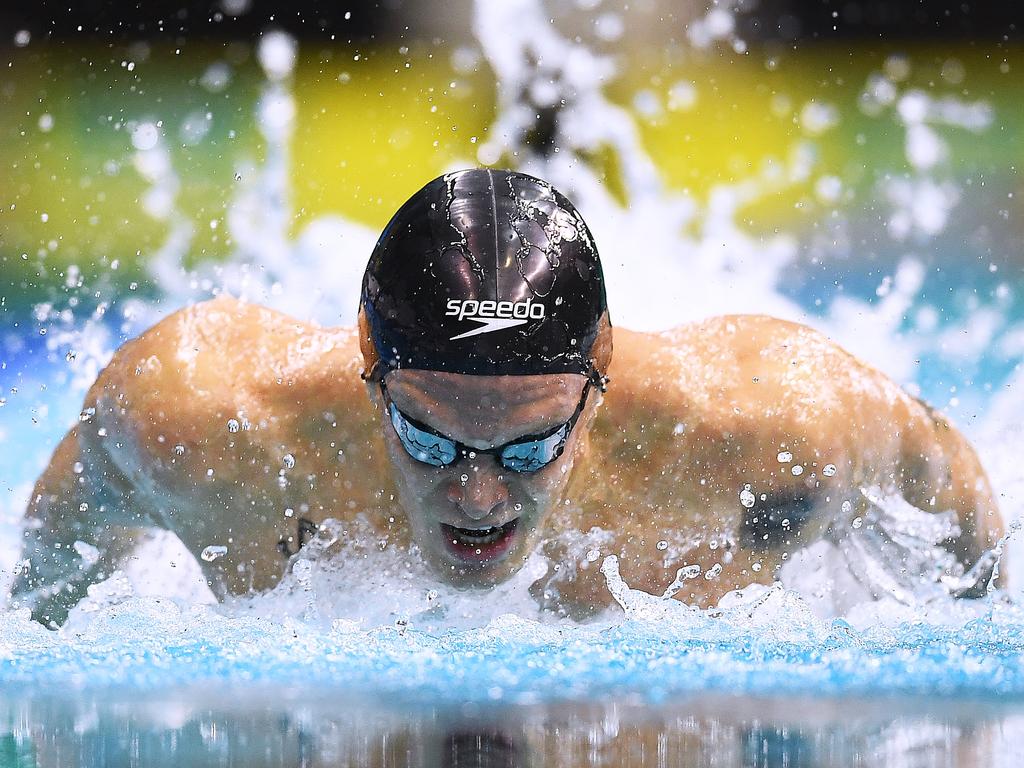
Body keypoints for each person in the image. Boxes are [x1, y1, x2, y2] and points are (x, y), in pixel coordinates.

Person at [11, 169, 1003, 626]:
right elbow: (42, 604)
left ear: (599, 368)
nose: (479, 499)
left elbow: (953, 509)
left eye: (529, 448)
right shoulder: (196, 421)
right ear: (368, 360)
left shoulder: (781, 428)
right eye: (429, 440)